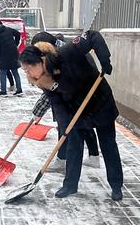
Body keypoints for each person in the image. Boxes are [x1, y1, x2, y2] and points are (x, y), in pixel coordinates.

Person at [19, 31, 123, 200]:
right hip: (76, 109)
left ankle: (116, 185)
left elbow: (91, 35)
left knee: (108, 145)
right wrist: (65, 125)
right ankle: (70, 186)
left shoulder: (68, 53)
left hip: (99, 101)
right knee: (74, 145)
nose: (29, 74)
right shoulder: (44, 81)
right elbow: (57, 104)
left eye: (30, 69)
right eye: (25, 71)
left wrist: (105, 59)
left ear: (41, 61)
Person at [30, 31, 100, 169]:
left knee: (64, 126)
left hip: (79, 94)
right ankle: (94, 157)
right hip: (87, 92)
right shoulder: (67, 49)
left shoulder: (60, 58)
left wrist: (37, 112)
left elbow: (52, 90)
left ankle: (62, 160)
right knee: (83, 124)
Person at [0, 17, 23, 96]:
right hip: (13, 53)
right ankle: (19, 90)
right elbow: (18, 34)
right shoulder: (7, 29)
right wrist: (15, 44)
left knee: (3, 72)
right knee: (15, 72)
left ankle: (3, 91)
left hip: (4, 55)